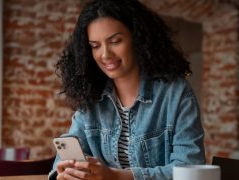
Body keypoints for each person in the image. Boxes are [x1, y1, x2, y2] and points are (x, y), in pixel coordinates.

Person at [49, 0, 205, 179]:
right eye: (95, 46)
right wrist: (64, 173)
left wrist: (117, 176)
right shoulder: (92, 95)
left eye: (115, 41)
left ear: (138, 38)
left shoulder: (175, 94)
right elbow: (67, 151)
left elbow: (190, 168)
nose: (105, 54)